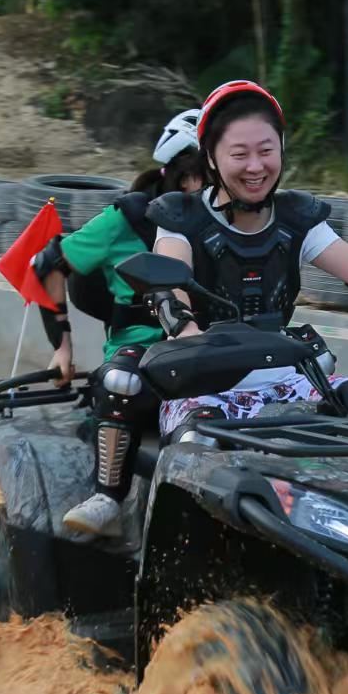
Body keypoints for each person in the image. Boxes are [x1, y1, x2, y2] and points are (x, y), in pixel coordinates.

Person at [145, 80, 348, 440]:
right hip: (204, 387)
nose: (255, 167)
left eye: (266, 151)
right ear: (210, 157)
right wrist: (188, 336)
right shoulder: (181, 217)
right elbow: (170, 284)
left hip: (291, 379)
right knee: (201, 447)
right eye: (239, 154)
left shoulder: (297, 218)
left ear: (282, 150)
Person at [28, 109, 208, 538]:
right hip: (142, 352)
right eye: (204, 175)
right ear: (184, 178)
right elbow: (48, 264)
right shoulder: (124, 221)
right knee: (122, 382)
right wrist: (62, 347)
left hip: (212, 347)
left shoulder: (232, 221)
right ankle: (108, 497)